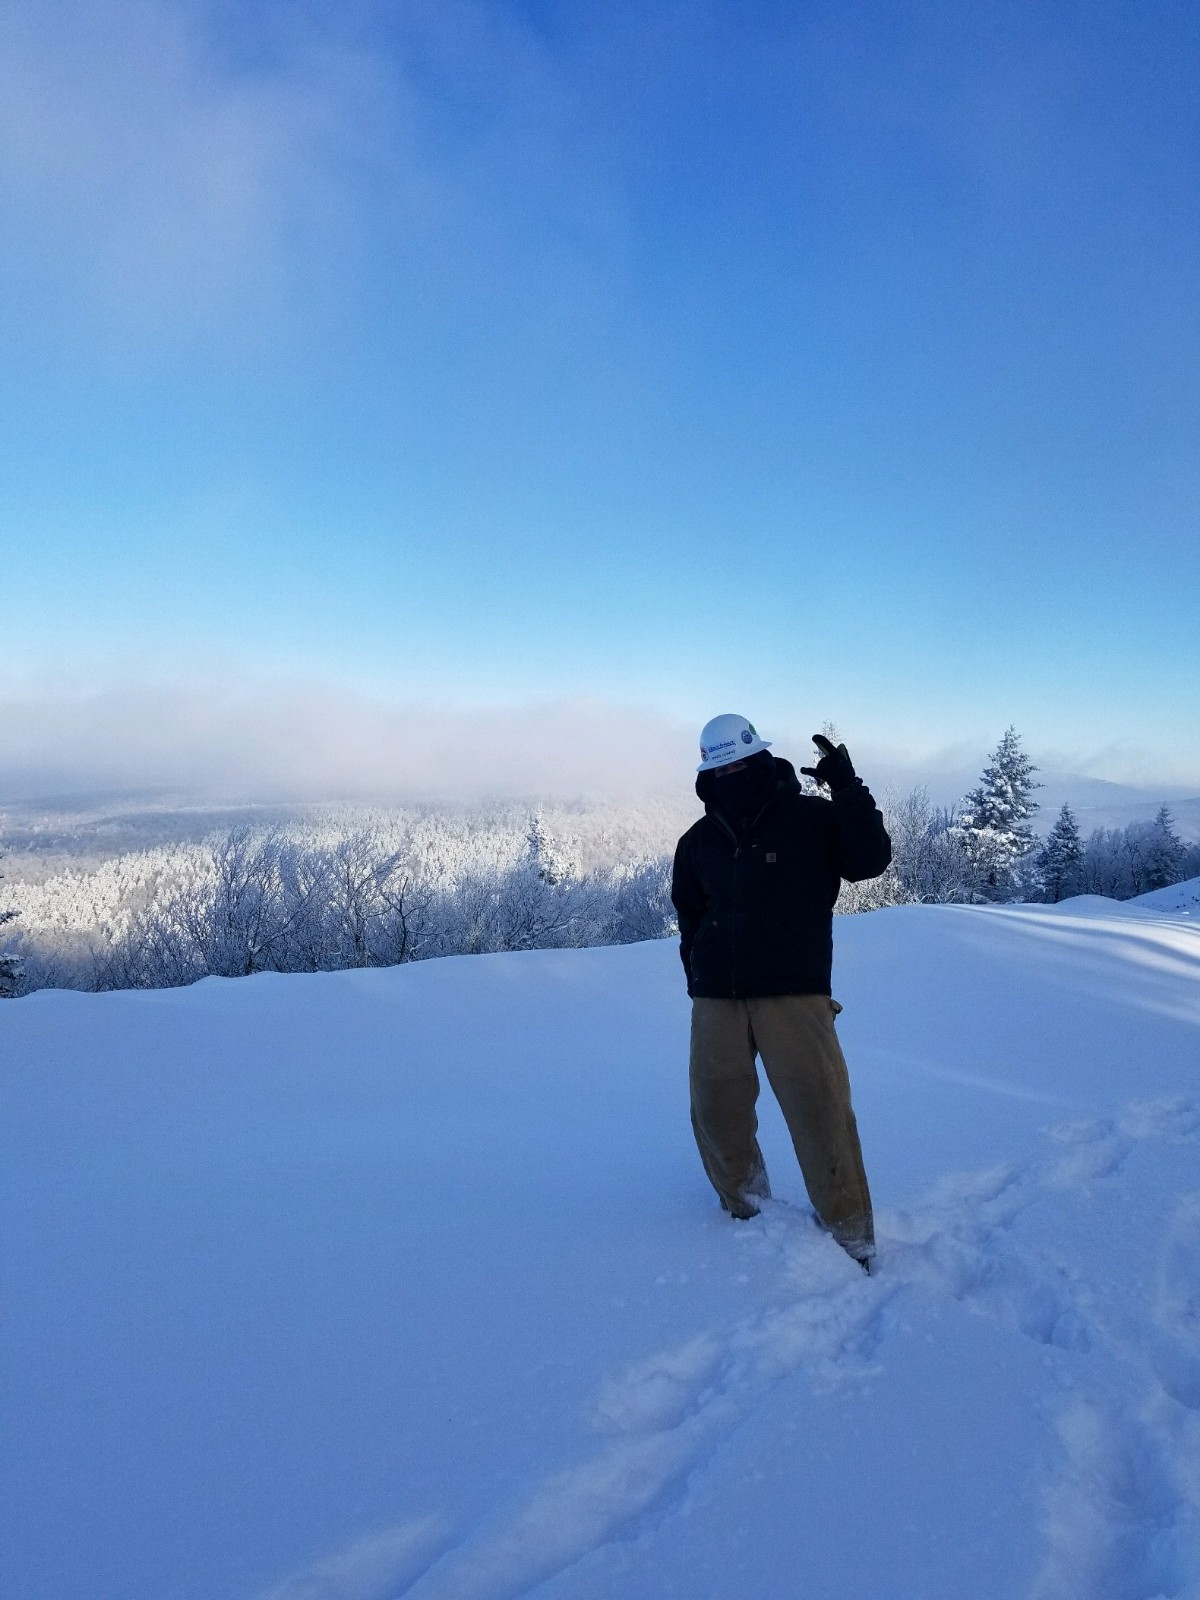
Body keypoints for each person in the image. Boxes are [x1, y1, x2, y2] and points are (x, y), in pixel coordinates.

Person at [670, 714, 892, 1269]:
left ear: (761, 758)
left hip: (794, 993)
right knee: (716, 1114)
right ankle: (747, 1216)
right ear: (708, 771)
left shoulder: (810, 819)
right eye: (722, 767)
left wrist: (847, 787)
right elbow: (690, 913)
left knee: (821, 1116)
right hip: (716, 999)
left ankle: (852, 1239)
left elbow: (870, 860)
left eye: (741, 763)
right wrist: (698, 973)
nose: (733, 775)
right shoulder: (697, 841)